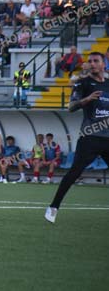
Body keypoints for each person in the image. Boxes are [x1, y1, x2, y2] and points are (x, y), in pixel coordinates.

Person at [46, 52, 109, 223]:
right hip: (90, 136)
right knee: (74, 172)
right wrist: (87, 99)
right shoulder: (83, 83)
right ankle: (53, 207)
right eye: (90, 61)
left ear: (103, 64)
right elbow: (71, 107)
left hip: (107, 137)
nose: (92, 63)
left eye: (96, 61)